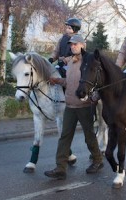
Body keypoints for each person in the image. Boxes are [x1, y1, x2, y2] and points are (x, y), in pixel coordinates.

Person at [44, 34, 103, 180]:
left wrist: (95, 97)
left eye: (75, 44)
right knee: (65, 137)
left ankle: (97, 160)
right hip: (70, 105)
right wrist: (57, 80)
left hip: (84, 105)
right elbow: (69, 82)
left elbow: (96, 81)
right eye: (71, 45)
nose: (72, 46)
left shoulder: (89, 61)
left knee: (89, 136)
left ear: (83, 45)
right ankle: (60, 168)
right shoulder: (70, 62)